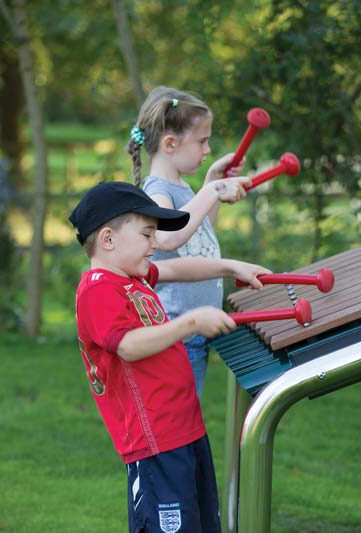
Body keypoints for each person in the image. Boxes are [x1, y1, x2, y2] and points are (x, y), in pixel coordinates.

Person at [69, 181, 269, 533]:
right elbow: (128, 345)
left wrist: (231, 267)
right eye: (147, 234)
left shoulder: (133, 277)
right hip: (154, 443)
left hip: (185, 429)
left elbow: (179, 269)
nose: (155, 244)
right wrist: (191, 322)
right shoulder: (98, 289)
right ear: (108, 239)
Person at [128, 86, 250, 398]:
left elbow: (197, 231)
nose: (207, 148)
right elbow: (169, 236)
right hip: (177, 330)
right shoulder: (157, 191)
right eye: (202, 141)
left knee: (188, 412)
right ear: (170, 143)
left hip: (196, 327)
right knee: (178, 417)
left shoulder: (180, 185)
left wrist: (210, 181)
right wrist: (212, 192)